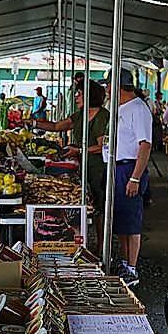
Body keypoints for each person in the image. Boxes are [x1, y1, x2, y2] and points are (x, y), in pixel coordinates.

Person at [31, 80, 108, 249]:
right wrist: (34, 123)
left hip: (99, 167)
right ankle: (77, 241)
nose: (76, 97)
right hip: (81, 165)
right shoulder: (80, 114)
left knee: (99, 206)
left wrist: (79, 151)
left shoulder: (103, 116)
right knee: (85, 204)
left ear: (89, 95)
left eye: (79, 94)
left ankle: (102, 246)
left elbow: (102, 147)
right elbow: (57, 126)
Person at [104, 68, 152, 286]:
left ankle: (132, 268)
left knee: (131, 220)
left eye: (108, 85)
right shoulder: (120, 107)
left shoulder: (138, 109)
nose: (105, 89)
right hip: (117, 167)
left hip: (129, 168)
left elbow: (145, 145)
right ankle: (125, 263)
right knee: (121, 219)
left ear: (117, 87)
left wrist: (135, 178)